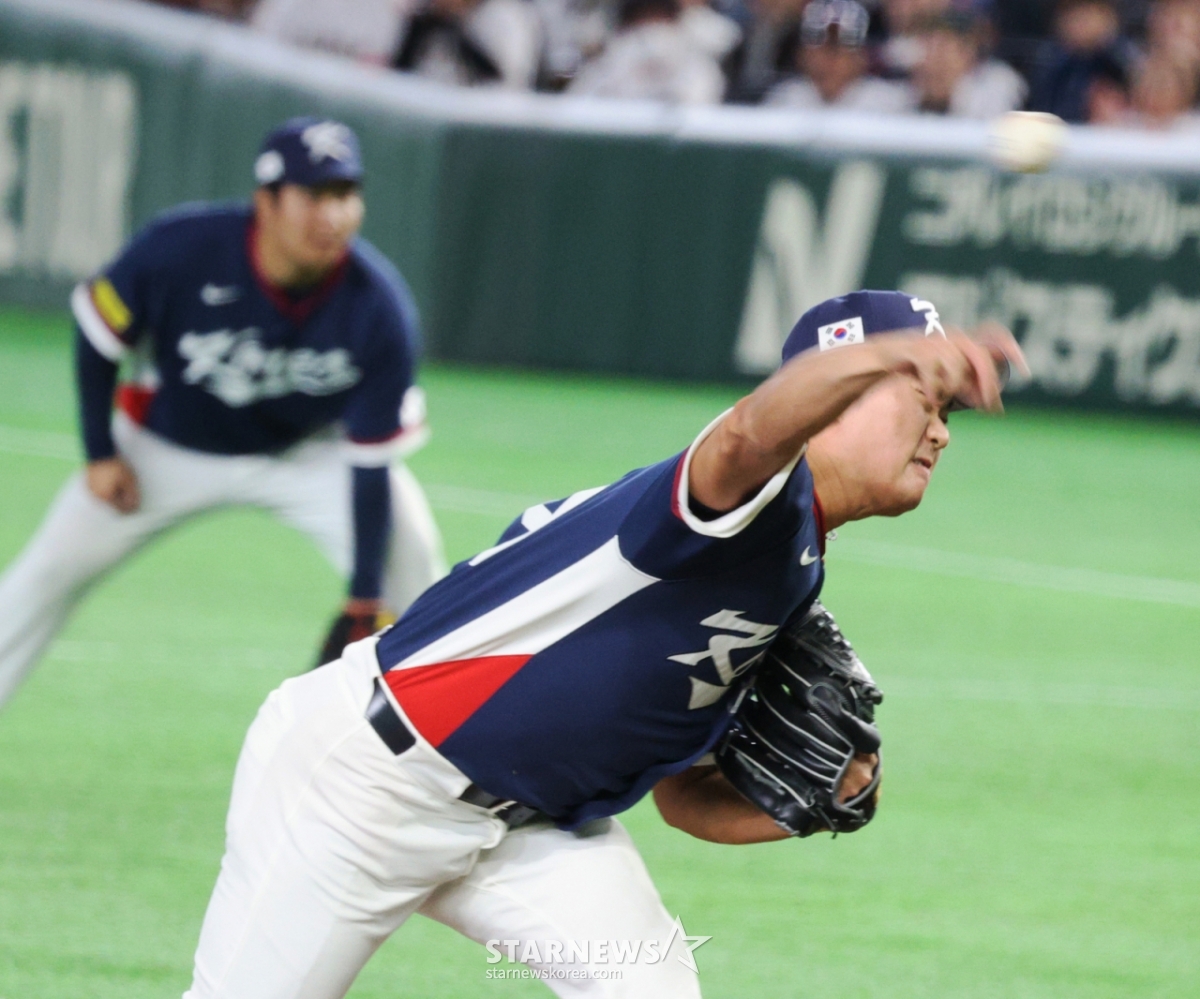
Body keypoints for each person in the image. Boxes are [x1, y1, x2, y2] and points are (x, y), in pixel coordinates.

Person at [182, 290, 1023, 998]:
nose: (941, 430)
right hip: (363, 783)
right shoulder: (744, 494)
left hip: (529, 828)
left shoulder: (790, 570)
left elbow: (679, 796)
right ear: (834, 397)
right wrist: (894, 354)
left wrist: (810, 803)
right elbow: (748, 431)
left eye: (944, 406)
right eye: (923, 399)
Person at [0, 117, 446, 711]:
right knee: (35, 584)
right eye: (314, 195)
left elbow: (370, 461)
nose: (332, 215)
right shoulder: (183, 249)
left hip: (307, 456)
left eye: (345, 195)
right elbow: (97, 333)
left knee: (419, 570)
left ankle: (460, 757)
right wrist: (100, 452)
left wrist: (365, 595)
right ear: (266, 202)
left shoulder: (379, 307)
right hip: (163, 450)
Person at [767, 0, 915, 113]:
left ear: (860, 57)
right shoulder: (785, 99)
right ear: (803, 56)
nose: (826, 61)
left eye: (835, 49)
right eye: (817, 48)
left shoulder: (889, 103)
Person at [568, 0, 727, 103]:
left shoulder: (698, 66)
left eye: (659, 17)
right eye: (645, 17)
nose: (652, 31)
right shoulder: (609, 61)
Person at [909, 10, 1027, 118]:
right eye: (928, 50)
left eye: (942, 50)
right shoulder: (906, 91)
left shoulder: (1000, 80)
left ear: (968, 53)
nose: (932, 62)